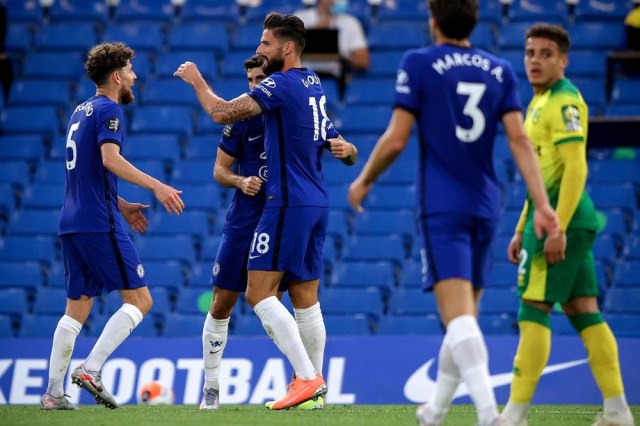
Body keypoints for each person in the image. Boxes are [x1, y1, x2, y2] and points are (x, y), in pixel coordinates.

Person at [347, 0, 558, 425]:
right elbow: (519, 140)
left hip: (443, 205)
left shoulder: (419, 62)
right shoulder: (499, 69)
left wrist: (364, 178)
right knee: (465, 318)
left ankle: (490, 415)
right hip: (486, 205)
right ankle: (434, 410)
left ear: (433, 20)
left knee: (458, 319)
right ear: (474, 20)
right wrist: (542, 204)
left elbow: (396, 139)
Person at [175, 12, 357, 411]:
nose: (259, 49)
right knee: (305, 297)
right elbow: (334, 140)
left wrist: (198, 82)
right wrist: (349, 151)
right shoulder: (312, 83)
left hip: (286, 201)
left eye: (265, 43)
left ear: (286, 47)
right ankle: (314, 391)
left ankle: (308, 379)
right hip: (315, 201)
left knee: (258, 293)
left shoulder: (281, 84)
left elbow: (221, 113)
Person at [501, 24, 635, 426]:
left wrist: (555, 226)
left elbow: (576, 167)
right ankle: (617, 411)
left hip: (560, 221)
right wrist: (520, 225)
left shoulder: (564, 102)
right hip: (556, 219)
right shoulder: (538, 102)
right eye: (530, 53)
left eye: (546, 54)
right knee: (584, 311)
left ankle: (513, 416)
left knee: (532, 309)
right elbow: (541, 174)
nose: (535, 61)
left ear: (563, 61)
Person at [40, 42, 185, 411]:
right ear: (117, 76)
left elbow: (86, 172)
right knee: (140, 300)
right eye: (130, 70)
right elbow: (109, 159)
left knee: (77, 306)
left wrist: (120, 204)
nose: (134, 76)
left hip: (72, 221)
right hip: (96, 223)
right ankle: (91, 369)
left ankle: (54, 393)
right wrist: (157, 186)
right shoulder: (109, 109)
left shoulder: (80, 111)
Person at [294, 0, 369, 97]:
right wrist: (315, 34)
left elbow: (363, 61)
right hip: (302, 77)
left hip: (335, 79)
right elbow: (285, 53)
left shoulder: (351, 22)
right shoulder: (300, 18)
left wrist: (342, 56)